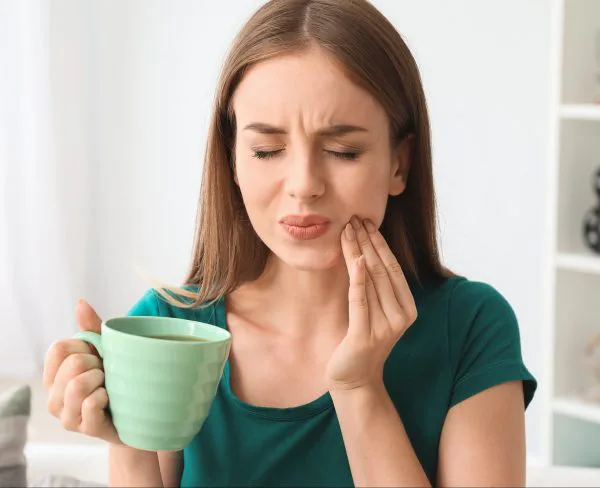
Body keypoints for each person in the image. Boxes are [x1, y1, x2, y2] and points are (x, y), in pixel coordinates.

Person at [42, 0, 537, 486]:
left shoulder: (471, 328)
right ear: (233, 160)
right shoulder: (171, 330)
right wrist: (128, 445)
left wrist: (359, 388)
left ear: (398, 164)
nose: (304, 184)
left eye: (343, 151)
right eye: (267, 150)